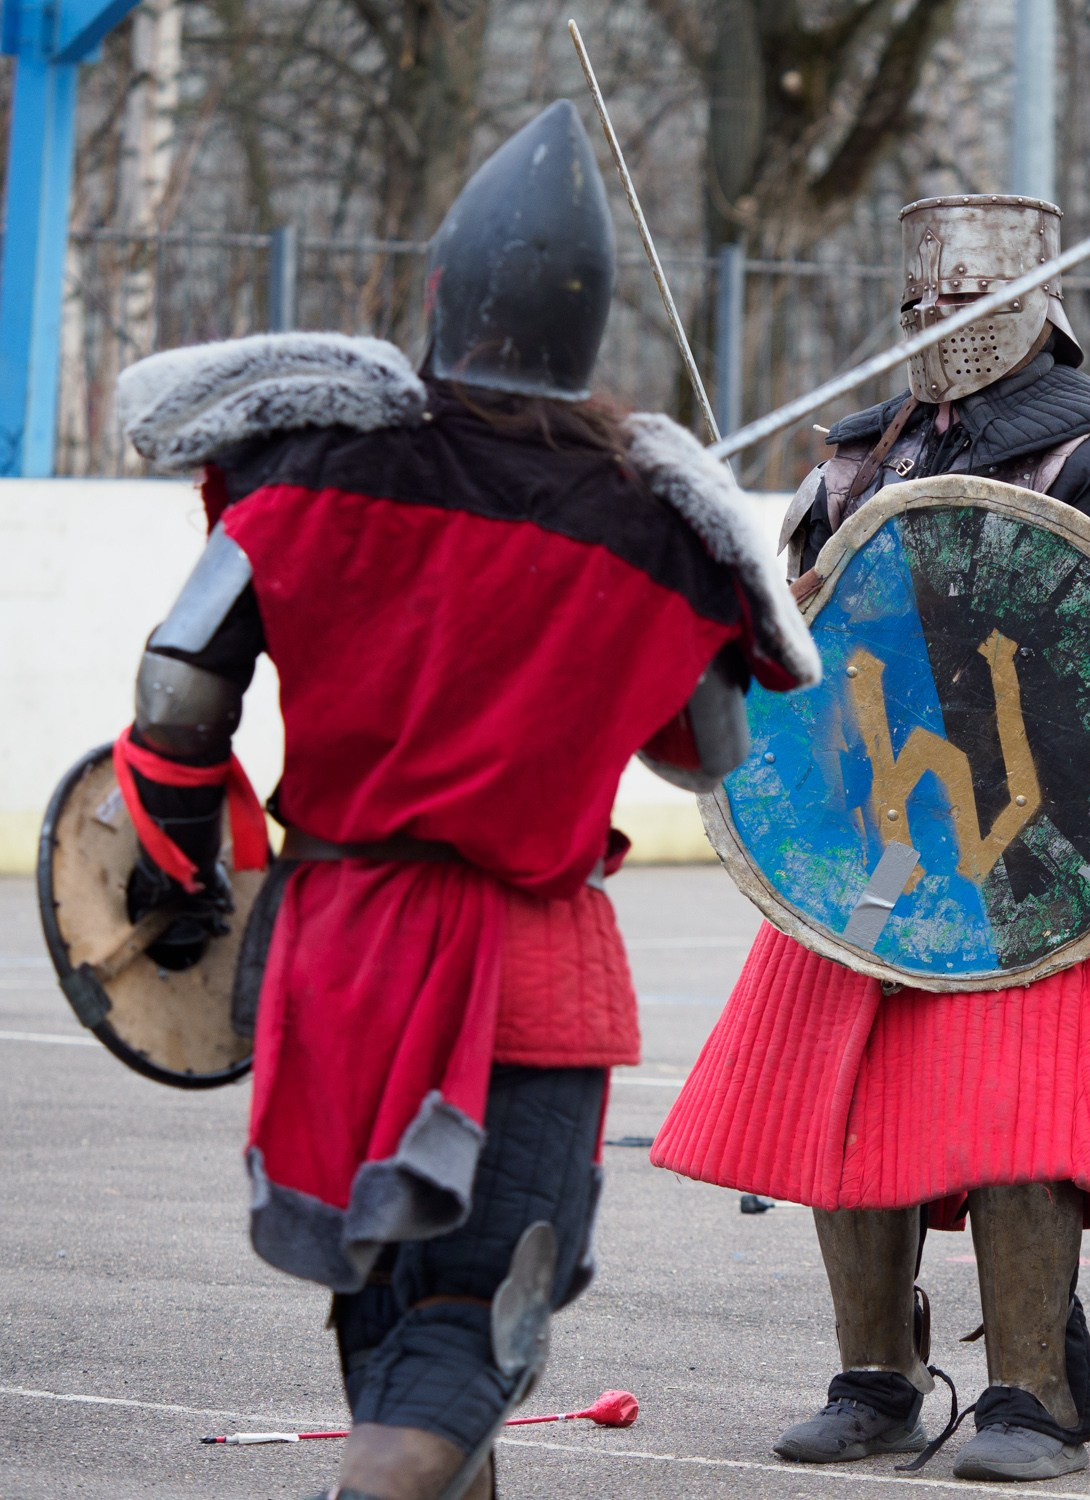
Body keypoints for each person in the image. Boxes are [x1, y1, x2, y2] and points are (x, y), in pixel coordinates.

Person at [111, 101, 816, 1500]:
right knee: (478, 1317)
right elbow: (708, 752)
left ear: (440, 294)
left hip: (337, 952)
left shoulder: (314, 461)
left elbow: (179, 695)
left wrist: (176, 873)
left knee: (392, 1321)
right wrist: (676, 565)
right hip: (525, 966)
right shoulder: (652, 519)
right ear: (590, 325)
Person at [652, 193, 1090, 1484]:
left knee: (1016, 1124)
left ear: (1034, 306)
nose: (940, 327)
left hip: (1023, 855)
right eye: (922, 305)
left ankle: (1036, 1397)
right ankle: (878, 1380)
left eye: (968, 303)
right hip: (872, 846)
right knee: (841, 1111)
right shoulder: (848, 473)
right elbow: (797, 667)